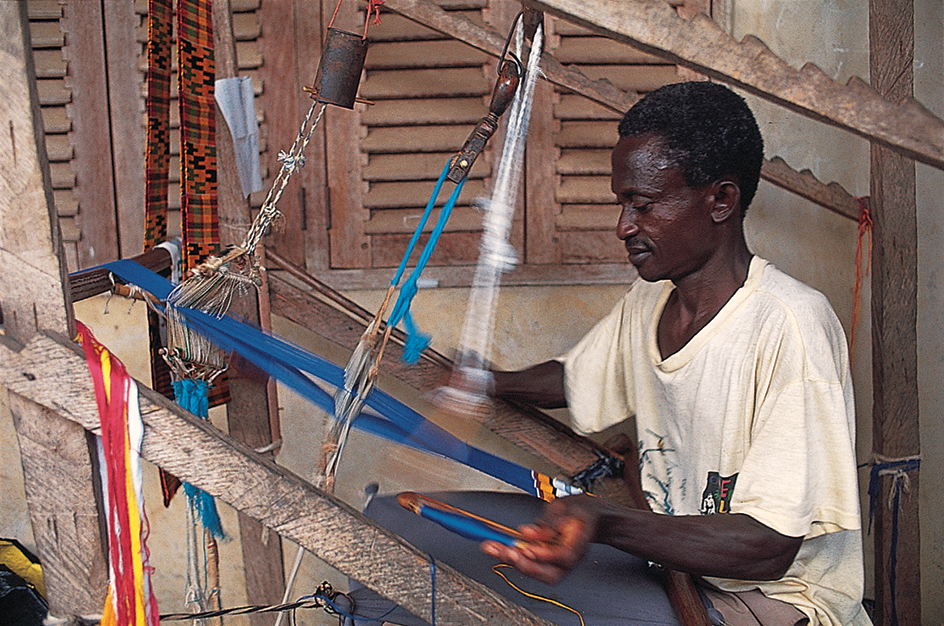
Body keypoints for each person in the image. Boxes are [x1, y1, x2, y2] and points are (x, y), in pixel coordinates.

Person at [480, 81, 870, 626]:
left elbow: (769, 545)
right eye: (623, 204)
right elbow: (576, 379)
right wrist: (485, 382)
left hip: (780, 599)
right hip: (678, 567)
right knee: (482, 575)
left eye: (643, 204)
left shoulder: (791, 327)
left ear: (721, 200)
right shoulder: (652, 300)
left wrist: (604, 521)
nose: (624, 227)